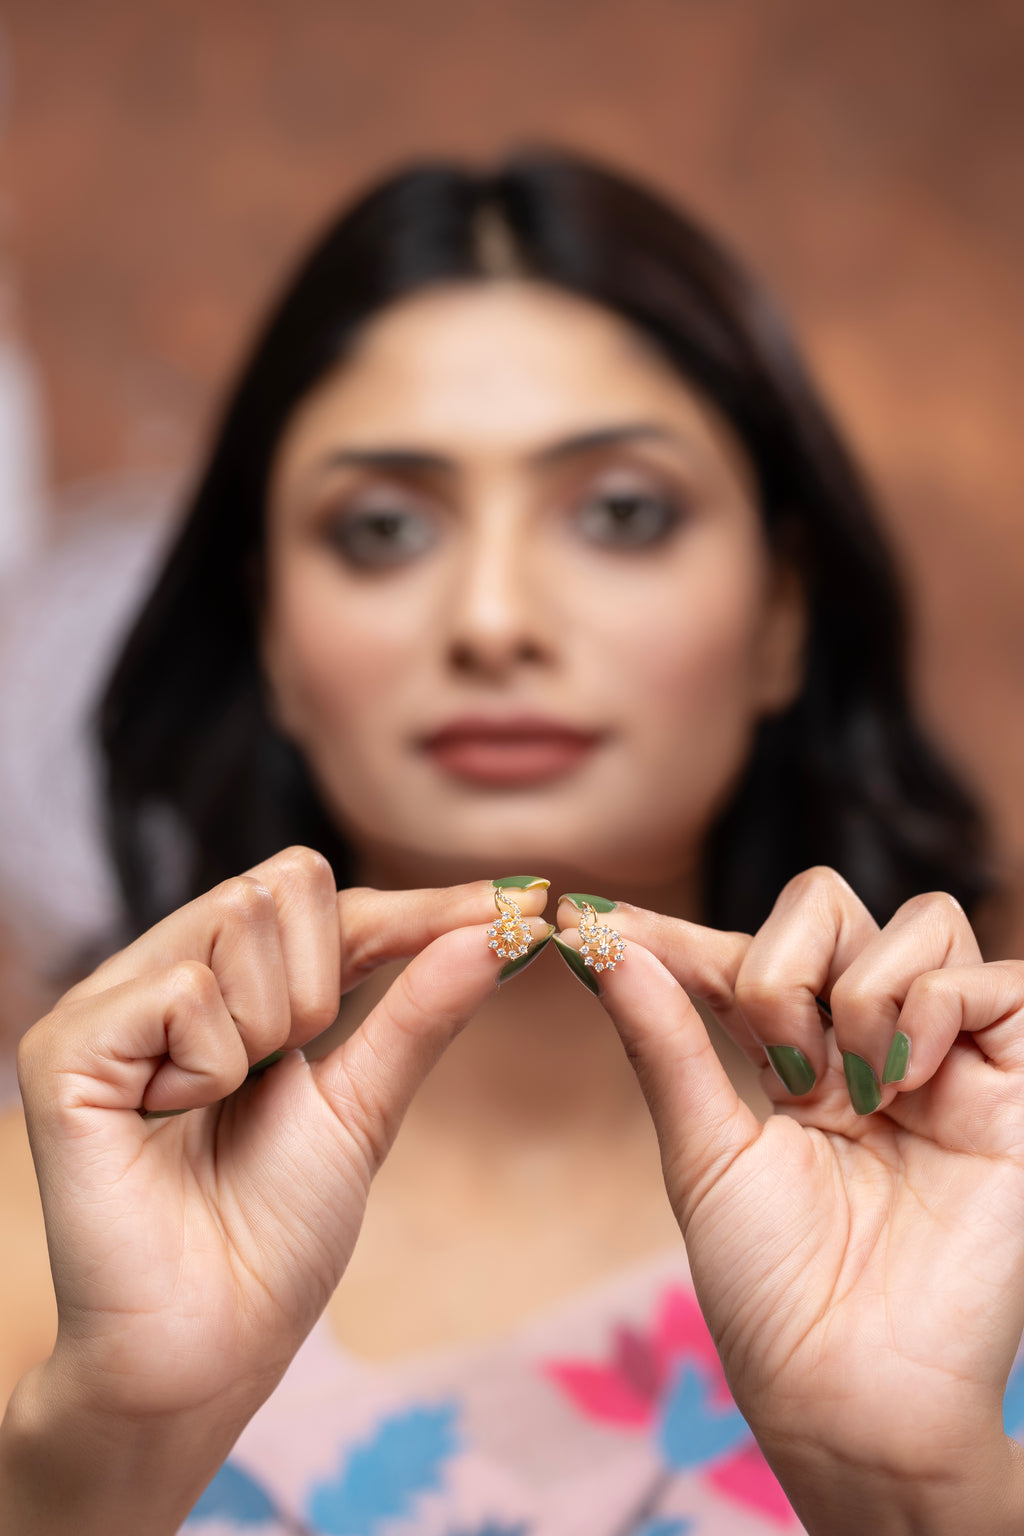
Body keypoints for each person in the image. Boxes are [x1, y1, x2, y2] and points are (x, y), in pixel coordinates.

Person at [2, 150, 1023, 1535]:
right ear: (271, 634)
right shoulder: (51, 1252)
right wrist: (110, 1456)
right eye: (383, 529)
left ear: (783, 613)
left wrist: (917, 1493)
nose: (493, 620)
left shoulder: (987, 1201)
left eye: (621, 514)